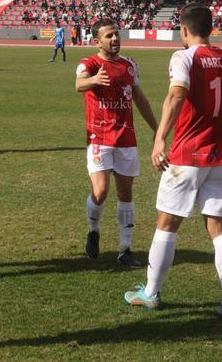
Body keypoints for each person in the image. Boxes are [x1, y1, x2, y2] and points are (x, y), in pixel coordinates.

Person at [124, 3, 222, 324]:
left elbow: (176, 95)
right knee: (220, 230)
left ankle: (151, 292)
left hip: (189, 152)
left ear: (184, 30)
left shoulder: (183, 57)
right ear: (211, 27)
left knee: (167, 224)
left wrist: (160, 138)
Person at [76, 18, 158, 267]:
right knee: (100, 191)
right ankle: (93, 230)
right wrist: (93, 81)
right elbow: (79, 84)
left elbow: (140, 99)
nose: (114, 39)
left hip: (126, 137)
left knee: (125, 192)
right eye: (109, 36)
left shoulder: (129, 65)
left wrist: (157, 129)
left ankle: (125, 250)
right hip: (99, 137)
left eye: (116, 34)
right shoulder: (89, 64)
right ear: (97, 41)